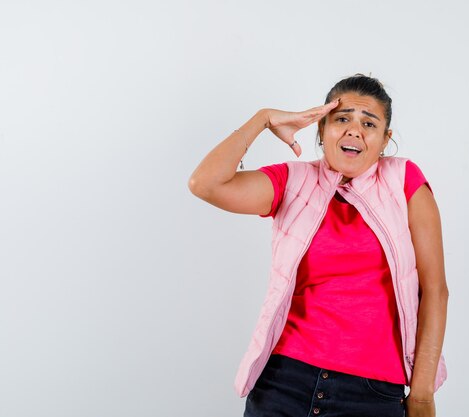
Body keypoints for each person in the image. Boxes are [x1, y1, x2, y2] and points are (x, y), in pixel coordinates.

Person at [188, 74, 448, 417]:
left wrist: (422, 395)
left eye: (368, 123)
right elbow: (205, 184)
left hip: (371, 394)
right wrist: (263, 119)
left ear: (385, 140)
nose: (354, 130)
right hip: (284, 382)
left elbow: (435, 290)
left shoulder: (404, 181)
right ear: (321, 130)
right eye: (342, 119)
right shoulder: (292, 181)